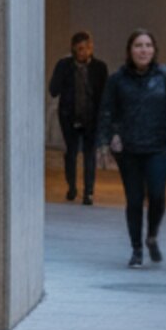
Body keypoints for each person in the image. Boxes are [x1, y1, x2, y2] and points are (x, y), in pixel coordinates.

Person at [96, 29, 166, 268]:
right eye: (138, 45)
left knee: (157, 195)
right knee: (134, 200)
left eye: (148, 45)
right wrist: (107, 140)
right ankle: (136, 249)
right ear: (130, 50)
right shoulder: (117, 79)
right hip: (129, 148)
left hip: (157, 145)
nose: (143, 50)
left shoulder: (165, 75)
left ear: (154, 50)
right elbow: (107, 110)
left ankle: (152, 235)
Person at [48, 31, 107, 205]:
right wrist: (63, 71)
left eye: (89, 47)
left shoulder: (99, 67)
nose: (85, 52)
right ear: (74, 49)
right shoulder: (65, 65)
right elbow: (53, 90)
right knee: (71, 152)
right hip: (69, 115)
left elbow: (104, 94)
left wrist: (104, 118)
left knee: (90, 154)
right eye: (81, 48)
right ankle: (72, 187)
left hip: (91, 116)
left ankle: (89, 192)